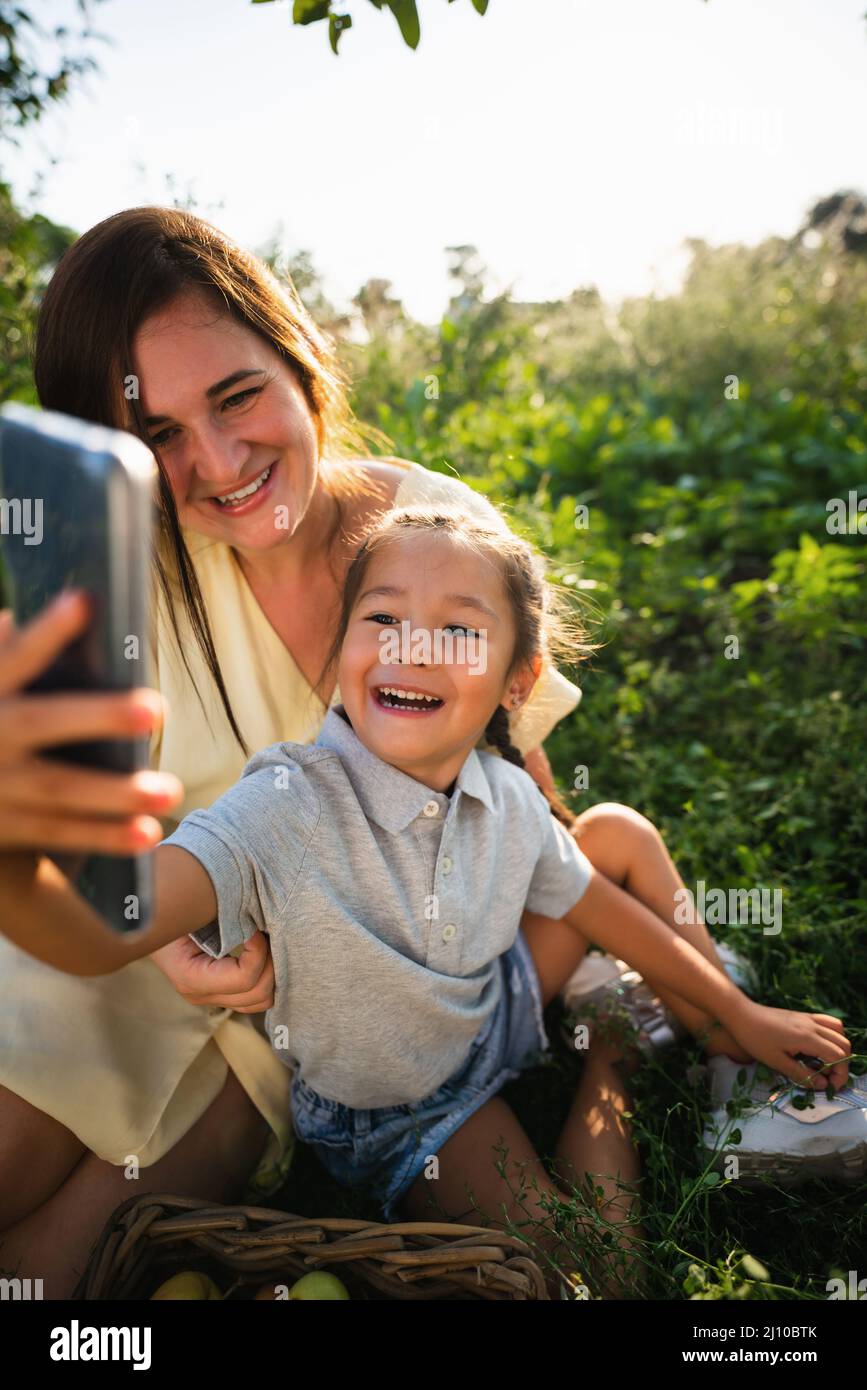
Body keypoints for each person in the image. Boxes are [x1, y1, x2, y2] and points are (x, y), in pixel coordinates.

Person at [0, 504, 852, 1300]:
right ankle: (615, 1049)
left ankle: (725, 1057)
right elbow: (102, 928)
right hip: (421, 1107)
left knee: (618, 832)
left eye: (456, 628)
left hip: (497, 990)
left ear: (517, 682)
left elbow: (596, 904)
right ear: (341, 649)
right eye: (382, 617)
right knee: (593, 1275)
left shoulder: (503, 795)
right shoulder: (284, 807)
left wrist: (739, 1014)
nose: (413, 646)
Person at [0, 206, 599, 1298]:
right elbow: (93, 867)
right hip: (129, 931)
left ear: (300, 356)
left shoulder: (430, 534)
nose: (219, 463)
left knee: (46, 1277)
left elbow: (522, 805)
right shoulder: (123, 578)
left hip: (293, 1013)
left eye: (237, 397)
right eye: (160, 435)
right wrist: (162, 941)